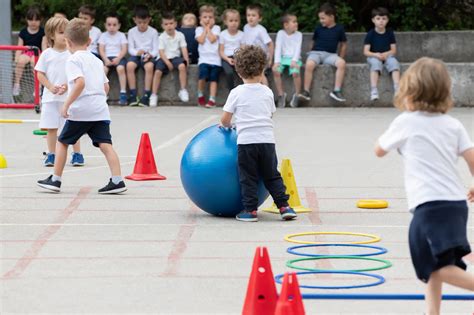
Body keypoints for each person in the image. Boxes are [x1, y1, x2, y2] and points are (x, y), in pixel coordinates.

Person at [374, 57, 474, 315]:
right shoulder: (453, 124)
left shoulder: (406, 121)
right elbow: (472, 158)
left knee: (431, 264)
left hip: (430, 206)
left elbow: (379, 150)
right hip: (455, 205)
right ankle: (432, 312)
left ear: (410, 90)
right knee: (438, 263)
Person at [37, 18, 126, 194]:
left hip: (81, 111)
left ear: (69, 42)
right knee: (106, 145)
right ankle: (117, 180)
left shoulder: (73, 60)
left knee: (62, 143)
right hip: (100, 110)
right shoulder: (97, 60)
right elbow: (105, 87)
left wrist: (67, 104)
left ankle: (55, 179)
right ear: (90, 41)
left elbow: (80, 83)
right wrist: (98, 100)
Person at [220, 45, 297, 222]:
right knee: (272, 175)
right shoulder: (267, 91)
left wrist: (227, 125)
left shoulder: (236, 93)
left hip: (246, 142)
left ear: (238, 71)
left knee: (248, 177)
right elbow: (270, 113)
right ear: (262, 69)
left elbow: (225, 119)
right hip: (267, 141)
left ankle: (250, 210)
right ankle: (285, 207)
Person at [35, 16, 84, 167]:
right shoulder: (47, 54)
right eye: (61, 32)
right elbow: (40, 74)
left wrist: (67, 87)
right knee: (51, 128)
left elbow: (77, 75)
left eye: (67, 32)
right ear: (51, 35)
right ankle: (51, 154)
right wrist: (50, 87)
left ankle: (77, 154)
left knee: (72, 126)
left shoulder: (73, 54)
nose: (65, 35)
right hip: (50, 98)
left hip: (69, 98)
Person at [299, 2, 347, 102]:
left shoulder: (339, 29)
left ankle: (336, 91)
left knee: (342, 63)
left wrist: (341, 57)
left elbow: (343, 44)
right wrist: (311, 52)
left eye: (323, 18)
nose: (321, 21)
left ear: (331, 17)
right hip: (316, 53)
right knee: (309, 64)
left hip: (331, 55)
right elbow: (313, 41)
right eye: (320, 18)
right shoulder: (319, 28)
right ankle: (306, 91)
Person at [150, 12, 190, 107]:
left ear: (175, 24)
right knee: (158, 72)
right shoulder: (162, 37)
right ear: (162, 26)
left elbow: (184, 48)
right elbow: (161, 52)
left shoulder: (180, 35)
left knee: (182, 66)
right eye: (166, 24)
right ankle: (154, 95)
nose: (169, 26)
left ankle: (183, 90)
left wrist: (186, 59)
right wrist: (168, 63)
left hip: (176, 57)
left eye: (171, 23)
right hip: (163, 58)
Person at [363, 7, 400, 101]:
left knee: (394, 63)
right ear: (373, 20)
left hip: (387, 55)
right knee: (375, 64)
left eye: (384, 19)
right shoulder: (370, 34)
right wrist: (376, 55)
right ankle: (374, 90)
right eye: (378, 19)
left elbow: (393, 50)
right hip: (374, 56)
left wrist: (386, 54)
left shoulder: (390, 33)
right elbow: (366, 52)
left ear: (387, 20)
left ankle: (397, 88)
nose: (381, 21)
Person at [126, 5, 159, 106]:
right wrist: (137, 52)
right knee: (130, 65)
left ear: (149, 20)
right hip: (136, 55)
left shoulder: (153, 32)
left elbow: (156, 49)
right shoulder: (131, 32)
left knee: (149, 67)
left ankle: (146, 95)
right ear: (134, 20)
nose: (142, 25)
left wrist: (150, 55)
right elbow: (130, 48)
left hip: (148, 56)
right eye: (139, 22)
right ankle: (133, 94)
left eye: (145, 22)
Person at [13, 6, 47, 97]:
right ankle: (17, 84)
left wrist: (44, 57)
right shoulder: (23, 32)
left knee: (34, 62)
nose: (33, 22)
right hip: (26, 52)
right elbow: (19, 47)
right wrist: (16, 59)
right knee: (21, 61)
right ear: (27, 20)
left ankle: (38, 87)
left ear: (40, 20)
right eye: (31, 20)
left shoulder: (42, 32)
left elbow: (44, 46)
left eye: (36, 20)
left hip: (37, 52)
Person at [272, 13, 303, 108]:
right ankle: (281, 95)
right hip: (282, 58)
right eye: (293, 22)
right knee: (276, 71)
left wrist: (294, 60)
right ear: (286, 25)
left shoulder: (299, 35)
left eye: (296, 21)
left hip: (294, 58)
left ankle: (297, 94)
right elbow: (278, 48)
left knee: (295, 73)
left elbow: (298, 48)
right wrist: (276, 62)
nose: (296, 23)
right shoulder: (280, 33)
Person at [98, 13, 128, 105]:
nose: (111, 27)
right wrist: (105, 59)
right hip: (107, 57)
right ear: (105, 25)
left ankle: (123, 92)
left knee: (120, 68)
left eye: (114, 25)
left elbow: (124, 49)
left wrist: (118, 58)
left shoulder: (121, 35)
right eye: (109, 25)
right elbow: (101, 49)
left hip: (118, 57)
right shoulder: (103, 35)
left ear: (119, 26)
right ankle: (103, 94)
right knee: (103, 70)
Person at [195, 5, 221, 108]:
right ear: (200, 19)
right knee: (202, 77)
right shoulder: (198, 29)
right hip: (204, 60)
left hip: (216, 60)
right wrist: (205, 28)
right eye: (205, 17)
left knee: (213, 79)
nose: (207, 19)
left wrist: (207, 28)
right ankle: (200, 94)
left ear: (214, 19)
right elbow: (201, 40)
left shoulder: (217, 28)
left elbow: (212, 39)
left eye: (210, 17)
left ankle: (212, 99)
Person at [242, 4, 274, 87]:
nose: (250, 17)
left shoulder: (261, 30)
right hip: (250, 57)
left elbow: (270, 44)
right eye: (248, 15)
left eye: (253, 15)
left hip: (260, 57)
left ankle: (267, 92)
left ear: (259, 18)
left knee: (260, 75)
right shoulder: (246, 27)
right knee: (249, 76)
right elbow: (245, 42)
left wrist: (270, 58)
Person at [219, 9, 244, 91]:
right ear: (225, 22)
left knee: (243, 72)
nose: (234, 23)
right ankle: (232, 91)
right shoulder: (223, 34)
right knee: (229, 72)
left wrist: (238, 59)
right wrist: (227, 59)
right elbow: (221, 51)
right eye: (231, 21)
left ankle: (245, 91)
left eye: (236, 20)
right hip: (226, 58)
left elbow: (243, 49)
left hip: (238, 57)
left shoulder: (241, 34)